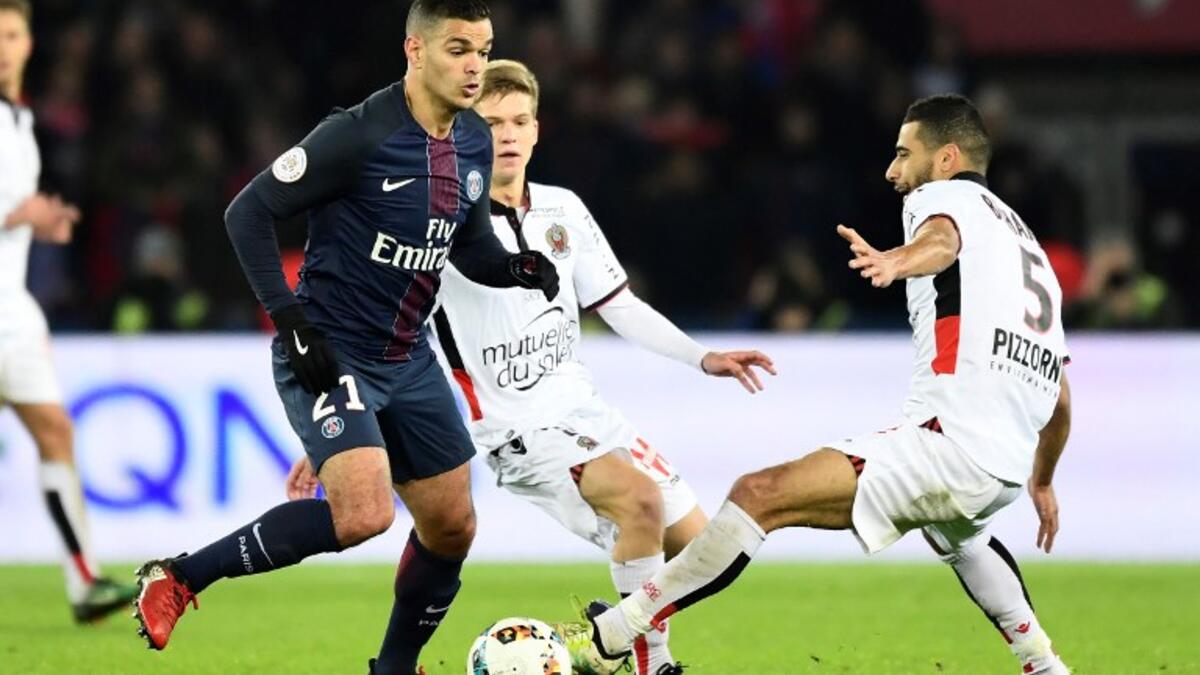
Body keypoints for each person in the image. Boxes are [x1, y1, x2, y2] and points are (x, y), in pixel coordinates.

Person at [286, 59, 775, 675]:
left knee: (709, 556)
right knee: (640, 502)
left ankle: (606, 639)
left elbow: (617, 304)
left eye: (520, 121)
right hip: (516, 429)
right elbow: (393, 330)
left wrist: (702, 356)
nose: (508, 135)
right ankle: (654, 664)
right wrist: (352, 425)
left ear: (538, 130)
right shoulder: (438, 222)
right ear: (466, 130)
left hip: (588, 413)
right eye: (492, 123)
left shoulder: (563, 209)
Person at [581, 94, 1073, 675]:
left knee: (758, 495)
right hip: (1003, 467)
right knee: (961, 538)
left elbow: (941, 239)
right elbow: (1061, 395)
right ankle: (1044, 664)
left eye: (902, 153)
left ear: (946, 158)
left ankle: (615, 632)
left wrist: (898, 260)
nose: (893, 172)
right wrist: (1042, 479)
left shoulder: (942, 198)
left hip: (949, 443)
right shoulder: (1024, 246)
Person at [132, 3, 558, 674]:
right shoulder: (359, 134)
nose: (475, 65)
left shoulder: (473, 142)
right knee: (362, 514)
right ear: (415, 51)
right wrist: (290, 321)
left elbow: (468, 248)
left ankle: (394, 667)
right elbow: (247, 212)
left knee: (453, 524)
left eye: (483, 48)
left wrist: (514, 266)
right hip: (330, 345)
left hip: (408, 356)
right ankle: (180, 576)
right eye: (458, 49)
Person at [0, 0, 139, 624]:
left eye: (11, 34)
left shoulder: (20, 123)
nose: (2, 46)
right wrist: (14, 216)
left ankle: (84, 582)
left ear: (29, 44)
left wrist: (36, 221)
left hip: (11, 309)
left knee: (55, 431)